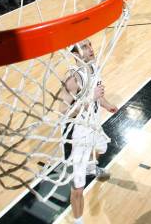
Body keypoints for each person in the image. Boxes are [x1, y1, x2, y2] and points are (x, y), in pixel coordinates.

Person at [61, 39, 118, 224]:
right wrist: (90, 98)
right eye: (84, 47)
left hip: (93, 124)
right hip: (77, 133)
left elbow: (98, 97)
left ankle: (91, 167)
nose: (91, 49)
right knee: (77, 188)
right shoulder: (72, 79)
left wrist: (107, 104)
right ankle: (78, 221)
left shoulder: (94, 69)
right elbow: (64, 111)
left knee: (102, 148)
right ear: (75, 54)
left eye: (90, 44)